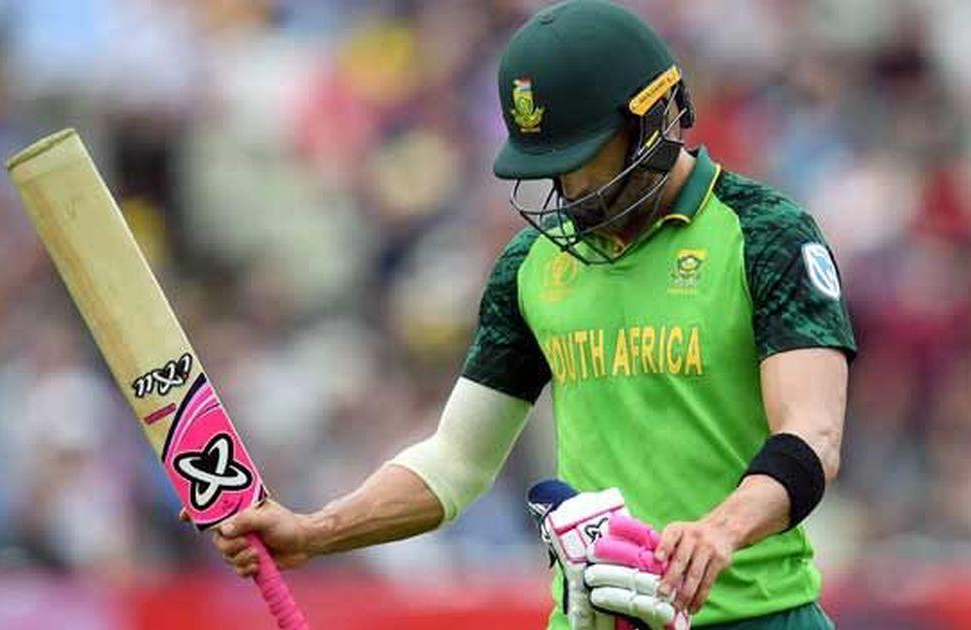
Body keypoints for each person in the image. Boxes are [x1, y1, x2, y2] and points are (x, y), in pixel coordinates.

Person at [204, 2, 855, 628]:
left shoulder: (766, 235)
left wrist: (720, 530)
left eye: (583, 159)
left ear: (653, 119)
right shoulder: (531, 266)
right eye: (553, 167)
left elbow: (813, 437)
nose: (569, 190)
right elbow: (456, 461)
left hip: (759, 620)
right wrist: (314, 532)